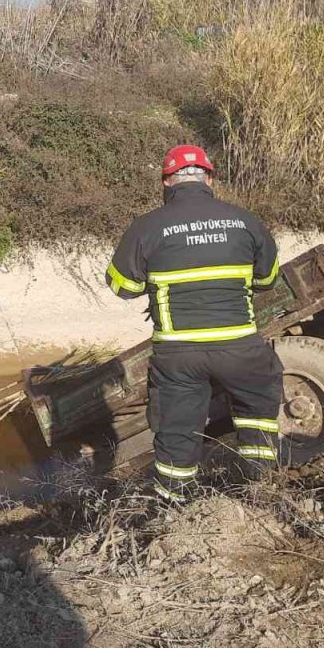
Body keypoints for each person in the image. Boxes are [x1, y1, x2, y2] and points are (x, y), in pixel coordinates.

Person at [105, 145, 283, 505]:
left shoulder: (147, 227)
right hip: (239, 346)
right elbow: (268, 281)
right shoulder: (245, 221)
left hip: (179, 354)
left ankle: (175, 509)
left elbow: (123, 287)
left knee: (176, 433)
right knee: (257, 419)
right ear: (209, 178)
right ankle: (259, 495)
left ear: (167, 182)